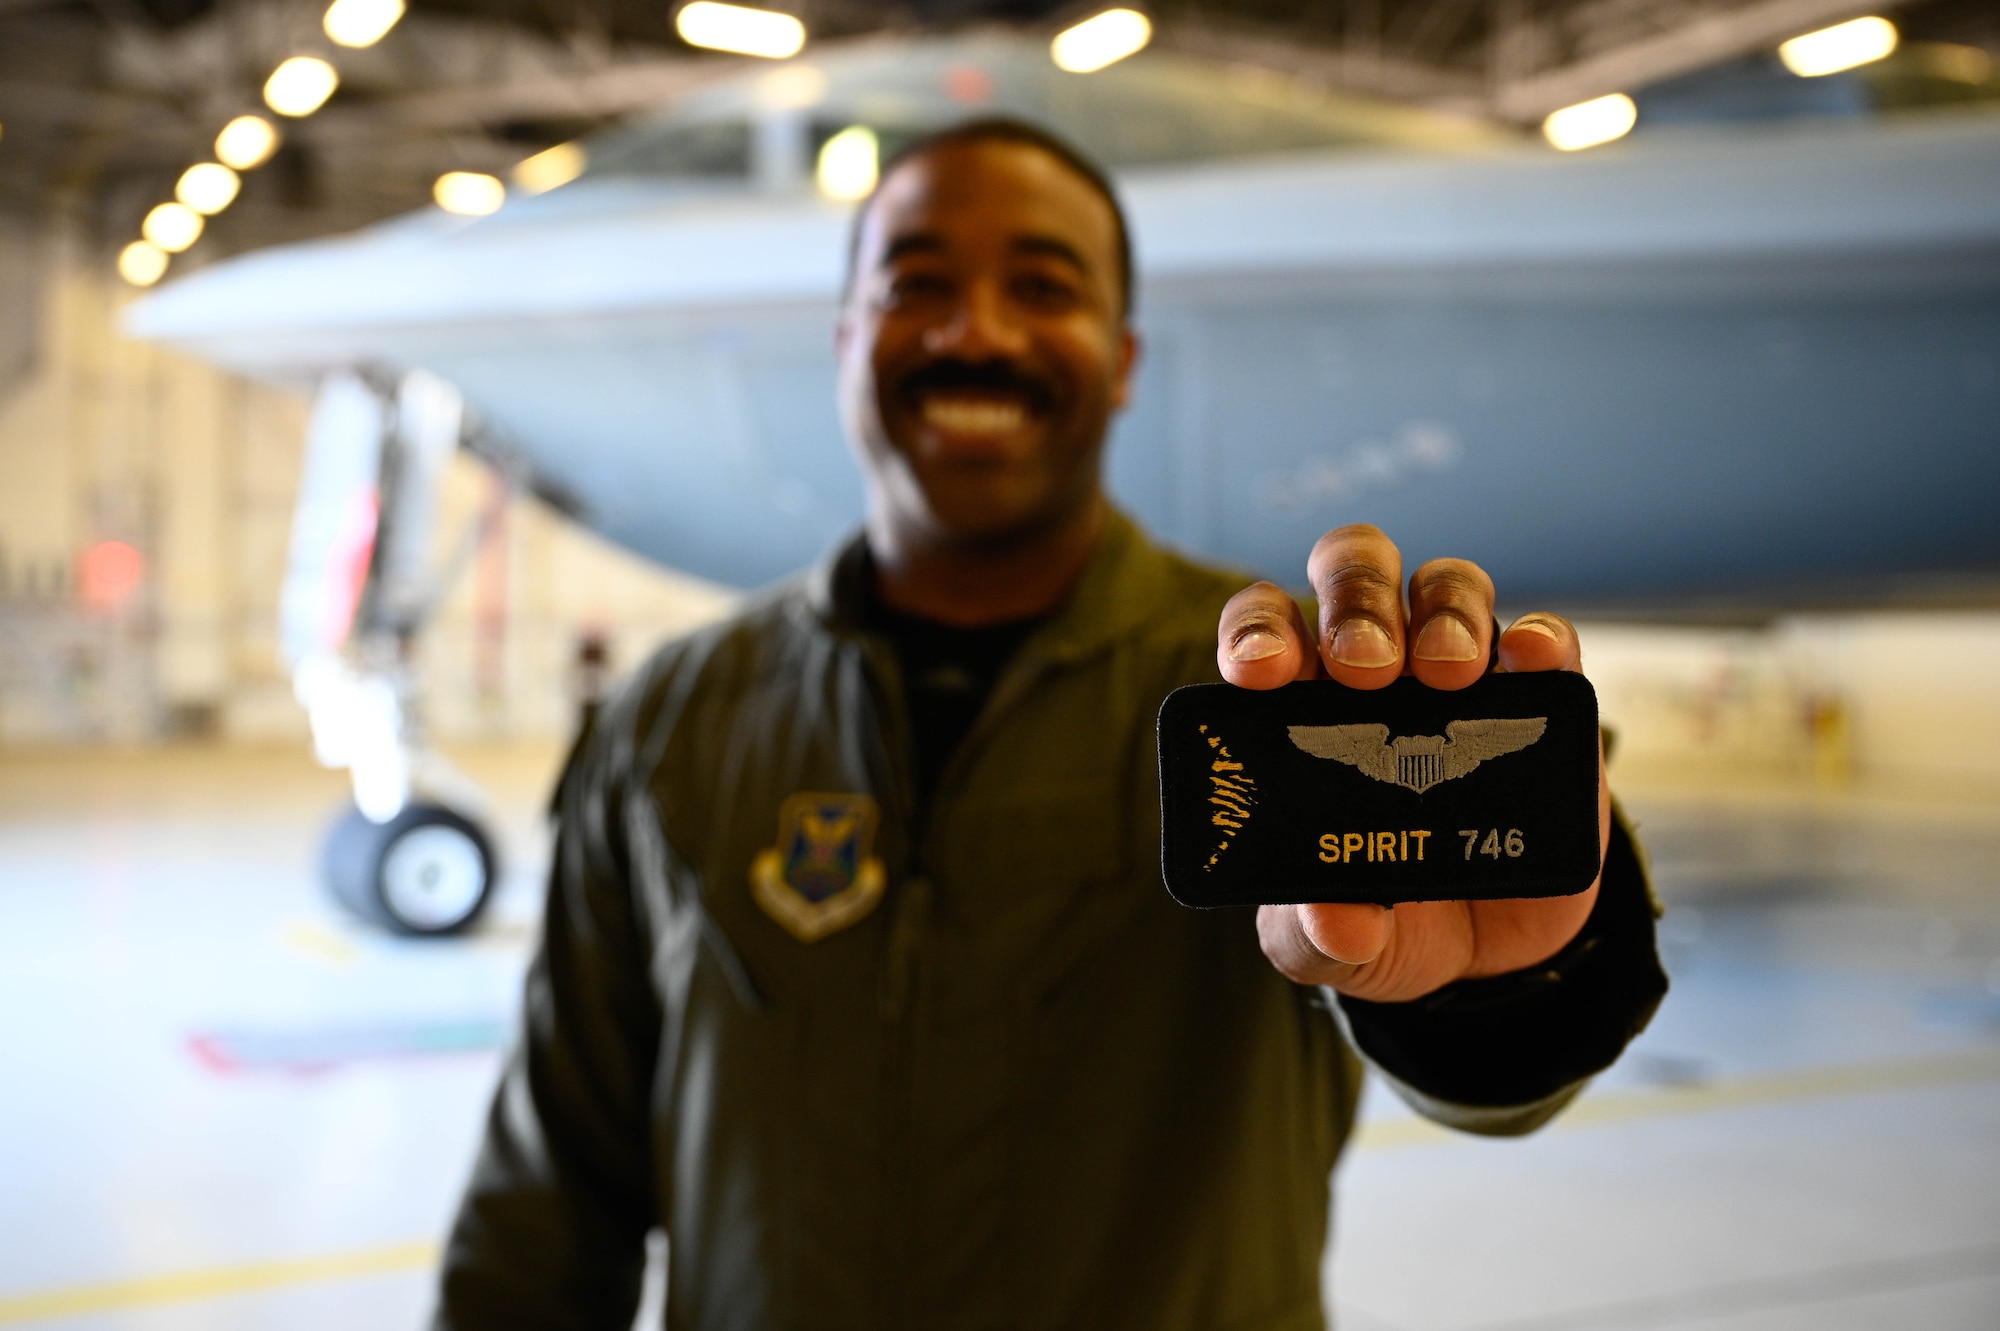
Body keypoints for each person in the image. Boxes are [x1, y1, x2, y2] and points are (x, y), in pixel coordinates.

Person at [434, 118, 1667, 1330]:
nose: (977, 330)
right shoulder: (672, 722)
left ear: (1121, 358)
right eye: (918, 285)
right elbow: (550, 1197)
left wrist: (1509, 985)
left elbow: (1510, 1064)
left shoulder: (1281, 710)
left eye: (1042, 285)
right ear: (845, 339)